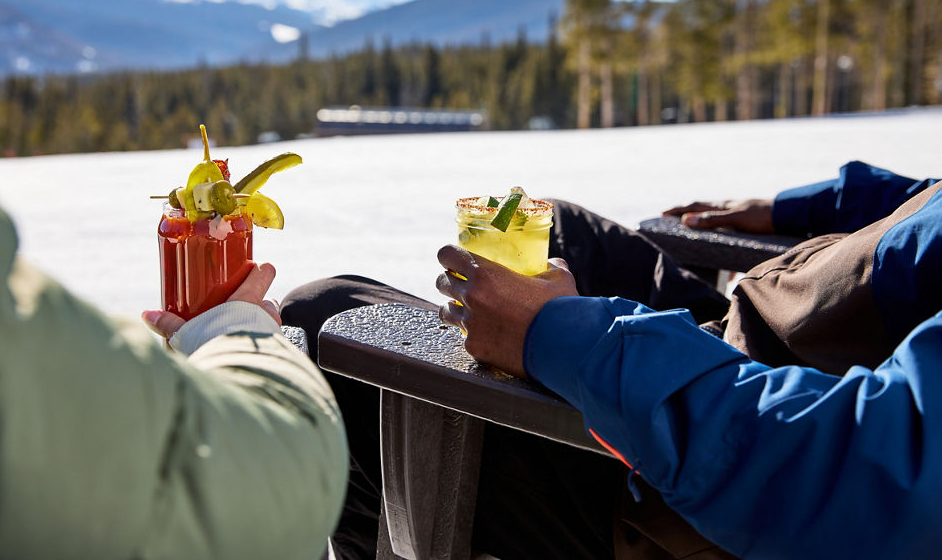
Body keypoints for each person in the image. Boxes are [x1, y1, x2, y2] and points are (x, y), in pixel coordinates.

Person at [281, 161, 942, 559]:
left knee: (325, 322)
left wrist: (561, 336)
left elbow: (868, 475)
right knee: (549, 227)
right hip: (757, 337)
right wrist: (798, 209)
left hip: (721, 474)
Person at [0, 116, 348, 560]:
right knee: (321, 306)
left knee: (318, 302)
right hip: (259, 441)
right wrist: (233, 330)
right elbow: (280, 468)